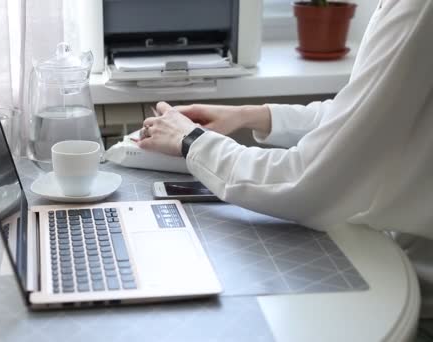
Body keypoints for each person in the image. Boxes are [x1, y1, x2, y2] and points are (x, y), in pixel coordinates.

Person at [137, 0, 433, 315]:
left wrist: (192, 141)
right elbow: (364, 113)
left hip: (420, 294)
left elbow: (306, 181)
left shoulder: (418, 9)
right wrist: (252, 115)